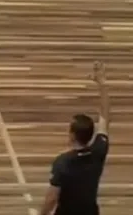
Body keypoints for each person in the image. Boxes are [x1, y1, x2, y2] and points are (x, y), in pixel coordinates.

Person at [39, 61, 110, 215]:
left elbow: (52, 198)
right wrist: (102, 84)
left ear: (72, 135)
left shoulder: (63, 163)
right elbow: (105, 117)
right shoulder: (99, 151)